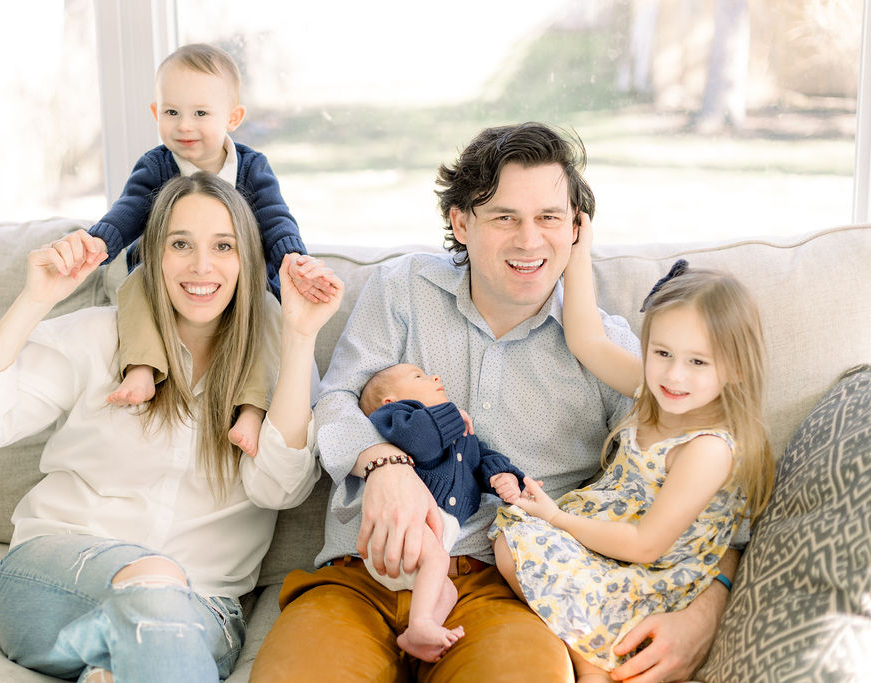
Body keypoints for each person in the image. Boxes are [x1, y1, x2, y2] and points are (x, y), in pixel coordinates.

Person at [252, 122, 740, 683]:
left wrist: (708, 608)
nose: (529, 240)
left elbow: (699, 475)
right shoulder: (402, 290)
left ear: (576, 230)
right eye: (505, 216)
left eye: (549, 218)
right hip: (363, 574)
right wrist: (383, 465)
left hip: (508, 593)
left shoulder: (612, 351)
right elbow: (336, 399)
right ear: (461, 223)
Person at [0, 173, 343, 682]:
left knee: (149, 638)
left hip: (202, 607)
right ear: (154, 255)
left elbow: (279, 487)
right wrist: (36, 300)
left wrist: (300, 338)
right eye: (180, 244)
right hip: (57, 578)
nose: (201, 266)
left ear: (247, 261)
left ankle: (110, 670)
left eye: (223, 246)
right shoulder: (100, 336)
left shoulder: (278, 360)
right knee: (154, 586)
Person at [491, 216, 775, 682]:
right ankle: (588, 656)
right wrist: (577, 252)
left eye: (697, 361)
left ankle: (593, 665)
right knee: (511, 538)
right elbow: (586, 340)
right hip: (611, 545)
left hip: (650, 572)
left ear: (736, 369)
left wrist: (556, 518)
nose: (674, 375)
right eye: (662, 353)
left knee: (522, 540)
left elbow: (647, 545)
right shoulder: (651, 392)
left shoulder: (707, 448)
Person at [86, 42, 331, 458]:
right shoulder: (156, 165)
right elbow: (128, 210)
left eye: (201, 113)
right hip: (165, 281)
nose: (185, 125)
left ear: (232, 118)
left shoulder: (252, 168)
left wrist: (292, 257)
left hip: (238, 286)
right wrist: (99, 241)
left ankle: (252, 410)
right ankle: (142, 367)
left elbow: (274, 217)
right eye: (171, 112)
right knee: (136, 284)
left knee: (267, 316)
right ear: (155, 113)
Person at [358, 363, 526, 662]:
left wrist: (506, 478)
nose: (435, 377)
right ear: (391, 401)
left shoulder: (462, 437)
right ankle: (421, 621)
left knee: (447, 590)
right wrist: (449, 414)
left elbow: (483, 457)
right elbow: (417, 439)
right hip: (402, 526)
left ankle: (420, 631)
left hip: (433, 536)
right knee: (437, 560)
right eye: (419, 377)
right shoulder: (395, 418)